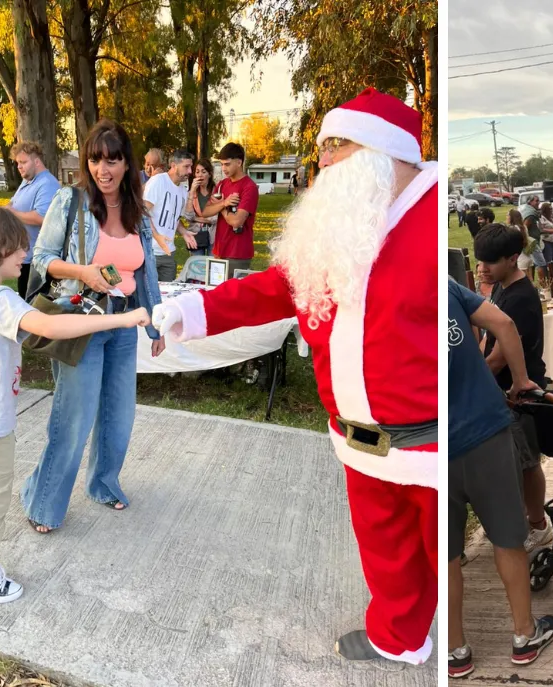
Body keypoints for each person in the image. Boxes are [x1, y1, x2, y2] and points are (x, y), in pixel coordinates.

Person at [151, 88, 437, 664]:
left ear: (382, 150)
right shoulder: (346, 219)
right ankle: (400, 636)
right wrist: (192, 310)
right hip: (356, 434)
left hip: (430, 442)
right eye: (321, 148)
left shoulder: (432, 218)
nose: (322, 161)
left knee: (440, 550)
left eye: (336, 146)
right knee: (382, 542)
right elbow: (276, 287)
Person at [0, 203, 150, 603]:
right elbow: (50, 327)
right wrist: (121, 319)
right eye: (18, 247)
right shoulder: (0, 300)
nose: (26, 253)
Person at [22, 119, 165, 534]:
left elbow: (146, 274)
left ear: (127, 163)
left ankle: (103, 483)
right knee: (74, 417)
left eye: (113, 161)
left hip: (123, 323)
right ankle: (43, 501)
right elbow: (42, 258)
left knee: (118, 415)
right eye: (95, 160)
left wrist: (155, 326)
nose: (103, 170)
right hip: (81, 321)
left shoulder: (137, 211)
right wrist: (83, 272)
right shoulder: (71, 201)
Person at [448, 279, 553, 678]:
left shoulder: (378, 302)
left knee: (446, 555)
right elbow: (505, 324)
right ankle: (524, 635)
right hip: (485, 432)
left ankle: (455, 651)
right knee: (508, 538)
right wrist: (520, 379)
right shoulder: (444, 286)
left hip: (430, 446)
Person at [473, 224, 552, 554]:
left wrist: (472, 382)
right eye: (480, 260)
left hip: (520, 395)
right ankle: (519, 519)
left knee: (527, 462)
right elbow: (487, 341)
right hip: (499, 392)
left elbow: (498, 358)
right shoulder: (501, 287)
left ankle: (539, 525)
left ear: (513, 258)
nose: (483, 268)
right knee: (511, 463)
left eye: (490, 262)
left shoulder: (520, 297)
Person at [5, 141, 60, 298]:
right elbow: (13, 203)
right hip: (25, 256)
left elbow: (42, 218)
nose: (19, 167)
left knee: (33, 304)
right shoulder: (27, 181)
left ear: (36, 162)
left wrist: (12, 213)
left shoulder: (47, 184)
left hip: (37, 262)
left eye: (23, 162)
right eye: (17, 163)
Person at [200, 143, 259, 275]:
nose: (223, 168)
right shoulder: (222, 184)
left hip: (238, 253)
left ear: (239, 162)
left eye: (227, 164)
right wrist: (224, 203)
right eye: (221, 164)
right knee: (216, 287)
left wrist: (221, 208)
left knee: (233, 288)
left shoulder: (249, 187)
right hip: (219, 251)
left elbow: (236, 221)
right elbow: (205, 212)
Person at [144, 149, 195, 281]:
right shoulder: (158, 181)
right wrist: (157, 236)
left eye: (191, 167)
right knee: (148, 292)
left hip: (169, 254)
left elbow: (174, 218)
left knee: (168, 292)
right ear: (173, 165)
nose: (190, 171)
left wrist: (184, 232)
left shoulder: (183, 191)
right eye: (186, 166)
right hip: (150, 252)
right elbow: (142, 212)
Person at [187, 158, 218, 256]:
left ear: (210, 174)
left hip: (214, 235)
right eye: (197, 172)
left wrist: (196, 218)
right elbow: (188, 216)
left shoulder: (217, 192)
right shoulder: (191, 193)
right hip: (196, 235)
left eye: (203, 172)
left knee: (213, 264)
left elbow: (216, 218)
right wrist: (192, 191)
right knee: (197, 264)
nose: (200, 175)